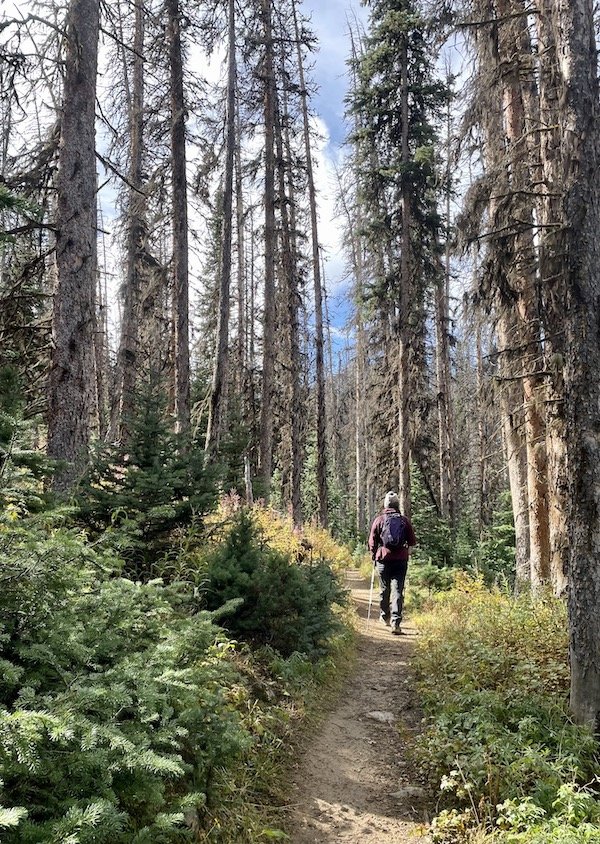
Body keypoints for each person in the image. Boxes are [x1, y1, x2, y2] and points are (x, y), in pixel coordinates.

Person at [368, 491, 416, 634]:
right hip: (400, 560)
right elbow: (412, 541)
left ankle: (384, 616)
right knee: (398, 591)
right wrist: (407, 553)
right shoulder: (404, 520)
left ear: (386, 505)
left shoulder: (379, 520)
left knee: (384, 589)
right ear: (397, 504)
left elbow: (372, 541)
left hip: (383, 559)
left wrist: (373, 554)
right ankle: (396, 622)